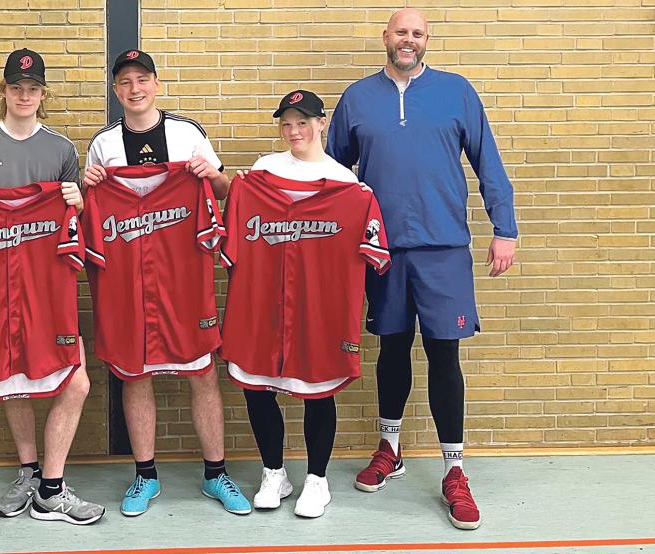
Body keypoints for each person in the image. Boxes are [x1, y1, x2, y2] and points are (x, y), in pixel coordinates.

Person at [327, 8, 518, 530]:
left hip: (444, 249)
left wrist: (505, 229)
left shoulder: (456, 92)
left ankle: (454, 470)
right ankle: (389, 447)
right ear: (385, 38)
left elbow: (489, 164)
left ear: (426, 40)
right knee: (391, 348)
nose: (407, 40)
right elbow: (333, 174)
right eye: (400, 32)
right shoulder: (357, 99)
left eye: (417, 33)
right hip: (382, 250)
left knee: (443, 354)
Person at [0, 48, 104, 525]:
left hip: (47, 286)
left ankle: (51, 488)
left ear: (43, 94)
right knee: (14, 385)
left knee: (76, 381)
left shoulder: (61, 150)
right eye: (16, 87)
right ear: (3, 91)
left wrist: (78, 201)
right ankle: (32, 474)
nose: (24, 95)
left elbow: (81, 222)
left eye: (32, 88)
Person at [83, 49, 249, 516]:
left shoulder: (187, 133)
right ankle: (145, 475)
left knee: (202, 372)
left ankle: (216, 473)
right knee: (135, 375)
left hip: (183, 277)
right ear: (116, 92)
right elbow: (88, 209)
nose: (134, 89)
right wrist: (89, 182)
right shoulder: (104, 144)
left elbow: (224, 192)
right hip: (127, 278)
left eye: (142, 79)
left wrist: (211, 175)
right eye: (125, 82)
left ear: (156, 83)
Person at [223, 90, 380, 519]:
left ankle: (317, 479)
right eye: (287, 123)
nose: (295, 130)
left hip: (318, 306)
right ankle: (274, 472)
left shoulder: (348, 187)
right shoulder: (261, 172)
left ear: (322, 123)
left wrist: (362, 205)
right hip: (263, 302)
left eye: (303, 122)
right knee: (256, 387)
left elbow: (373, 252)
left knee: (317, 390)